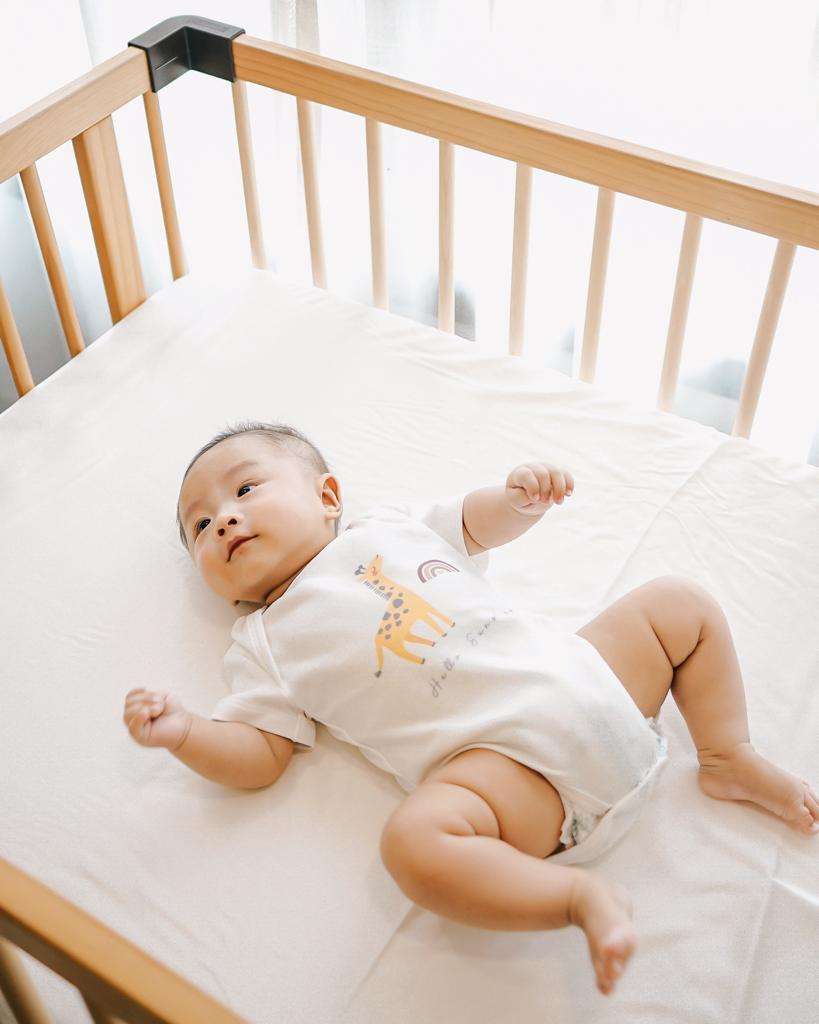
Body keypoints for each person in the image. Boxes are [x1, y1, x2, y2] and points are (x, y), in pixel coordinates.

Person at [123, 420, 819, 997]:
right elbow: (260, 756)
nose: (226, 520)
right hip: (506, 772)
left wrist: (517, 499)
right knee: (410, 845)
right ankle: (573, 900)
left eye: (244, 489)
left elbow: (470, 525)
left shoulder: (386, 526)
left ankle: (728, 755)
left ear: (328, 495)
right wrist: (187, 733)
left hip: (586, 678)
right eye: (202, 526)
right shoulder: (263, 643)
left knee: (678, 602)